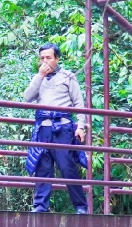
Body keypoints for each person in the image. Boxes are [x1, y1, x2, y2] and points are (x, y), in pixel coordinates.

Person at [23, 43, 88, 214]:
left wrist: (80, 126)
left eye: (49, 58)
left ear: (57, 59)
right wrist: (39, 76)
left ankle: (81, 206)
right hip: (43, 127)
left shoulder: (68, 76)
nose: (45, 61)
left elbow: (79, 103)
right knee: (42, 167)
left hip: (63, 127)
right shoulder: (38, 78)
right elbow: (27, 98)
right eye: (42, 58)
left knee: (67, 167)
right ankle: (40, 206)